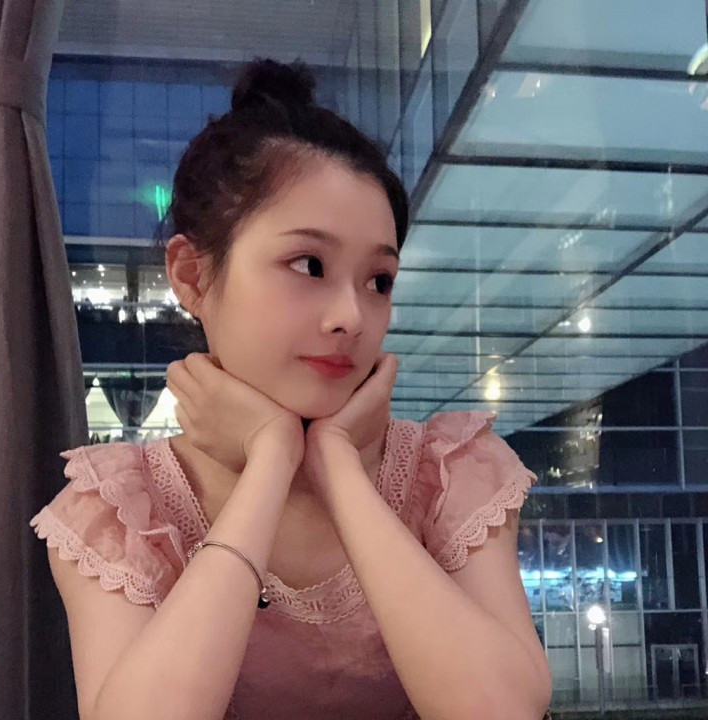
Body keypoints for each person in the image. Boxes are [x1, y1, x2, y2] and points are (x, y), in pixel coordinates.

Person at [31, 58, 552, 720]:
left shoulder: (448, 475)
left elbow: (503, 709)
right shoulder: (121, 512)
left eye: (378, 281)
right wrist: (271, 460)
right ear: (191, 275)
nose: (352, 317)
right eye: (309, 265)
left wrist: (339, 469)